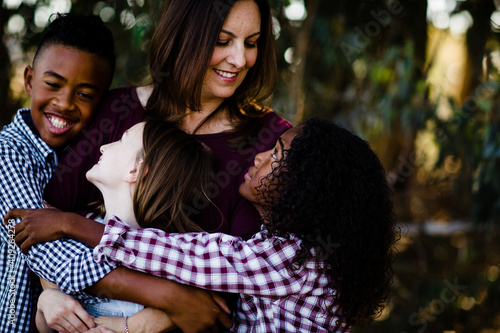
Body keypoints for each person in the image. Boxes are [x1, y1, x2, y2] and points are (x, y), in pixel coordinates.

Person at [7, 0, 291, 332]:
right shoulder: (118, 111)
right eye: (222, 40)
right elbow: (46, 215)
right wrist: (50, 293)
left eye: (252, 42)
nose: (240, 59)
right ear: (185, 35)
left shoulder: (273, 145)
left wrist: (146, 323)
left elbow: (260, 277)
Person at [11, 118, 398, 332]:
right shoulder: (282, 250)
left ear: (307, 189)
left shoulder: (295, 262)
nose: (262, 155)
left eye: (278, 155)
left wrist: (71, 225)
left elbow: (192, 255)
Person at [35, 120, 216, 332]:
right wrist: (46, 300)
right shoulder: (72, 232)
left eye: (122, 140)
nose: (104, 146)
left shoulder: (168, 261)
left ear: (136, 170)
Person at [0, 12, 115, 333]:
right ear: (28, 80)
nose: (64, 103)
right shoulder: (7, 153)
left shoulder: (97, 160)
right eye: (53, 84)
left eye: (84, 95)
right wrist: (169, 294)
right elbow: (51, 254)